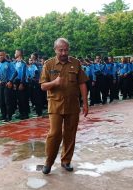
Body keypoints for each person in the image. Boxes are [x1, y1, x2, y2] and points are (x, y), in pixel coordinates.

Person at [40, 38, 89, 174]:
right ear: (55, 49)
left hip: (72, 105)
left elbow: (82, 83)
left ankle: (66, 161)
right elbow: (43, 86)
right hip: (55, 104)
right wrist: (54, 83)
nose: (63, 52)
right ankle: (49, 162)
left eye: (66, 49)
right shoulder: (48, 64)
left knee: (70, 133)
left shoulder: (75, 63)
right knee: (54, 133)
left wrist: (85, 103)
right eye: (61, 50)